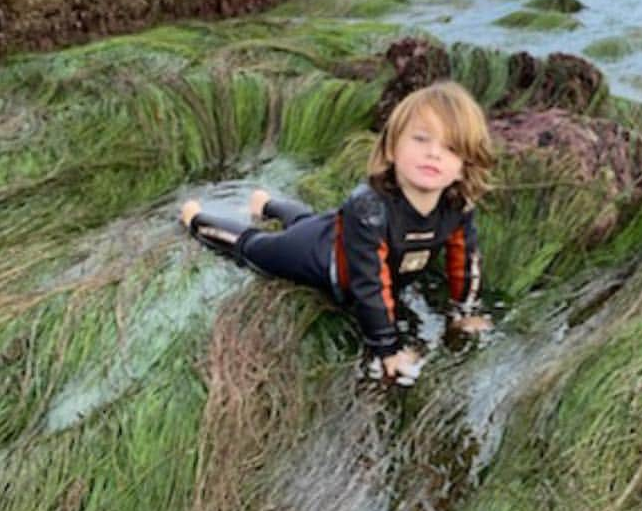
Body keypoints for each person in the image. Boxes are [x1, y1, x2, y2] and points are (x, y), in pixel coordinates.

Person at [179, 81, 494, 383]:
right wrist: (388, 348)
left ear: (465, 165)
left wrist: (464, 312)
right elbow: (369, 285)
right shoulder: (369, 208)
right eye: (421, 139)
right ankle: (196, 218)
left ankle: (268, 204)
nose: (434, 153)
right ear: (391, 148)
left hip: (340, 230)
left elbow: (465, 262)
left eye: (451, 147)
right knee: (257, 247)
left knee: (310, 220)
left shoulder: (457, 207)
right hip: (320, 256)